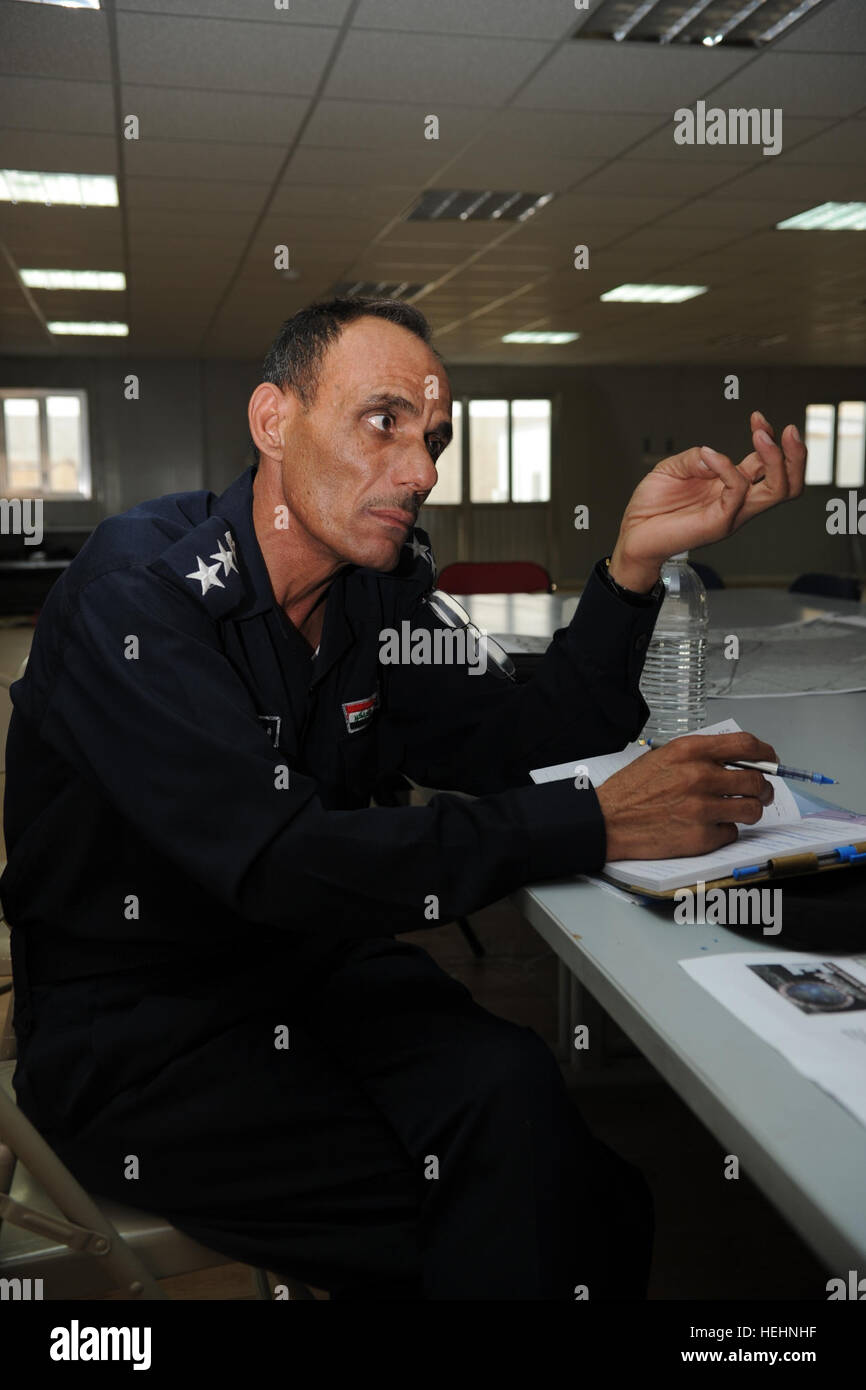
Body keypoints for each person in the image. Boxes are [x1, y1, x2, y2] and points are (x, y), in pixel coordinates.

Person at [1, 297, 805, 1300]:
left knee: (528, 1113)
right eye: (381, 422)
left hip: (313, 974)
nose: (422, 470)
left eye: (431, 439)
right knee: (527, 1215)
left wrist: (630, 565)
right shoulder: (136, 593)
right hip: (141, 1027)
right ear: (273, 421)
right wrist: (591, 820)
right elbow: (277, 860)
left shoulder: (373, 590)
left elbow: (523, 733)